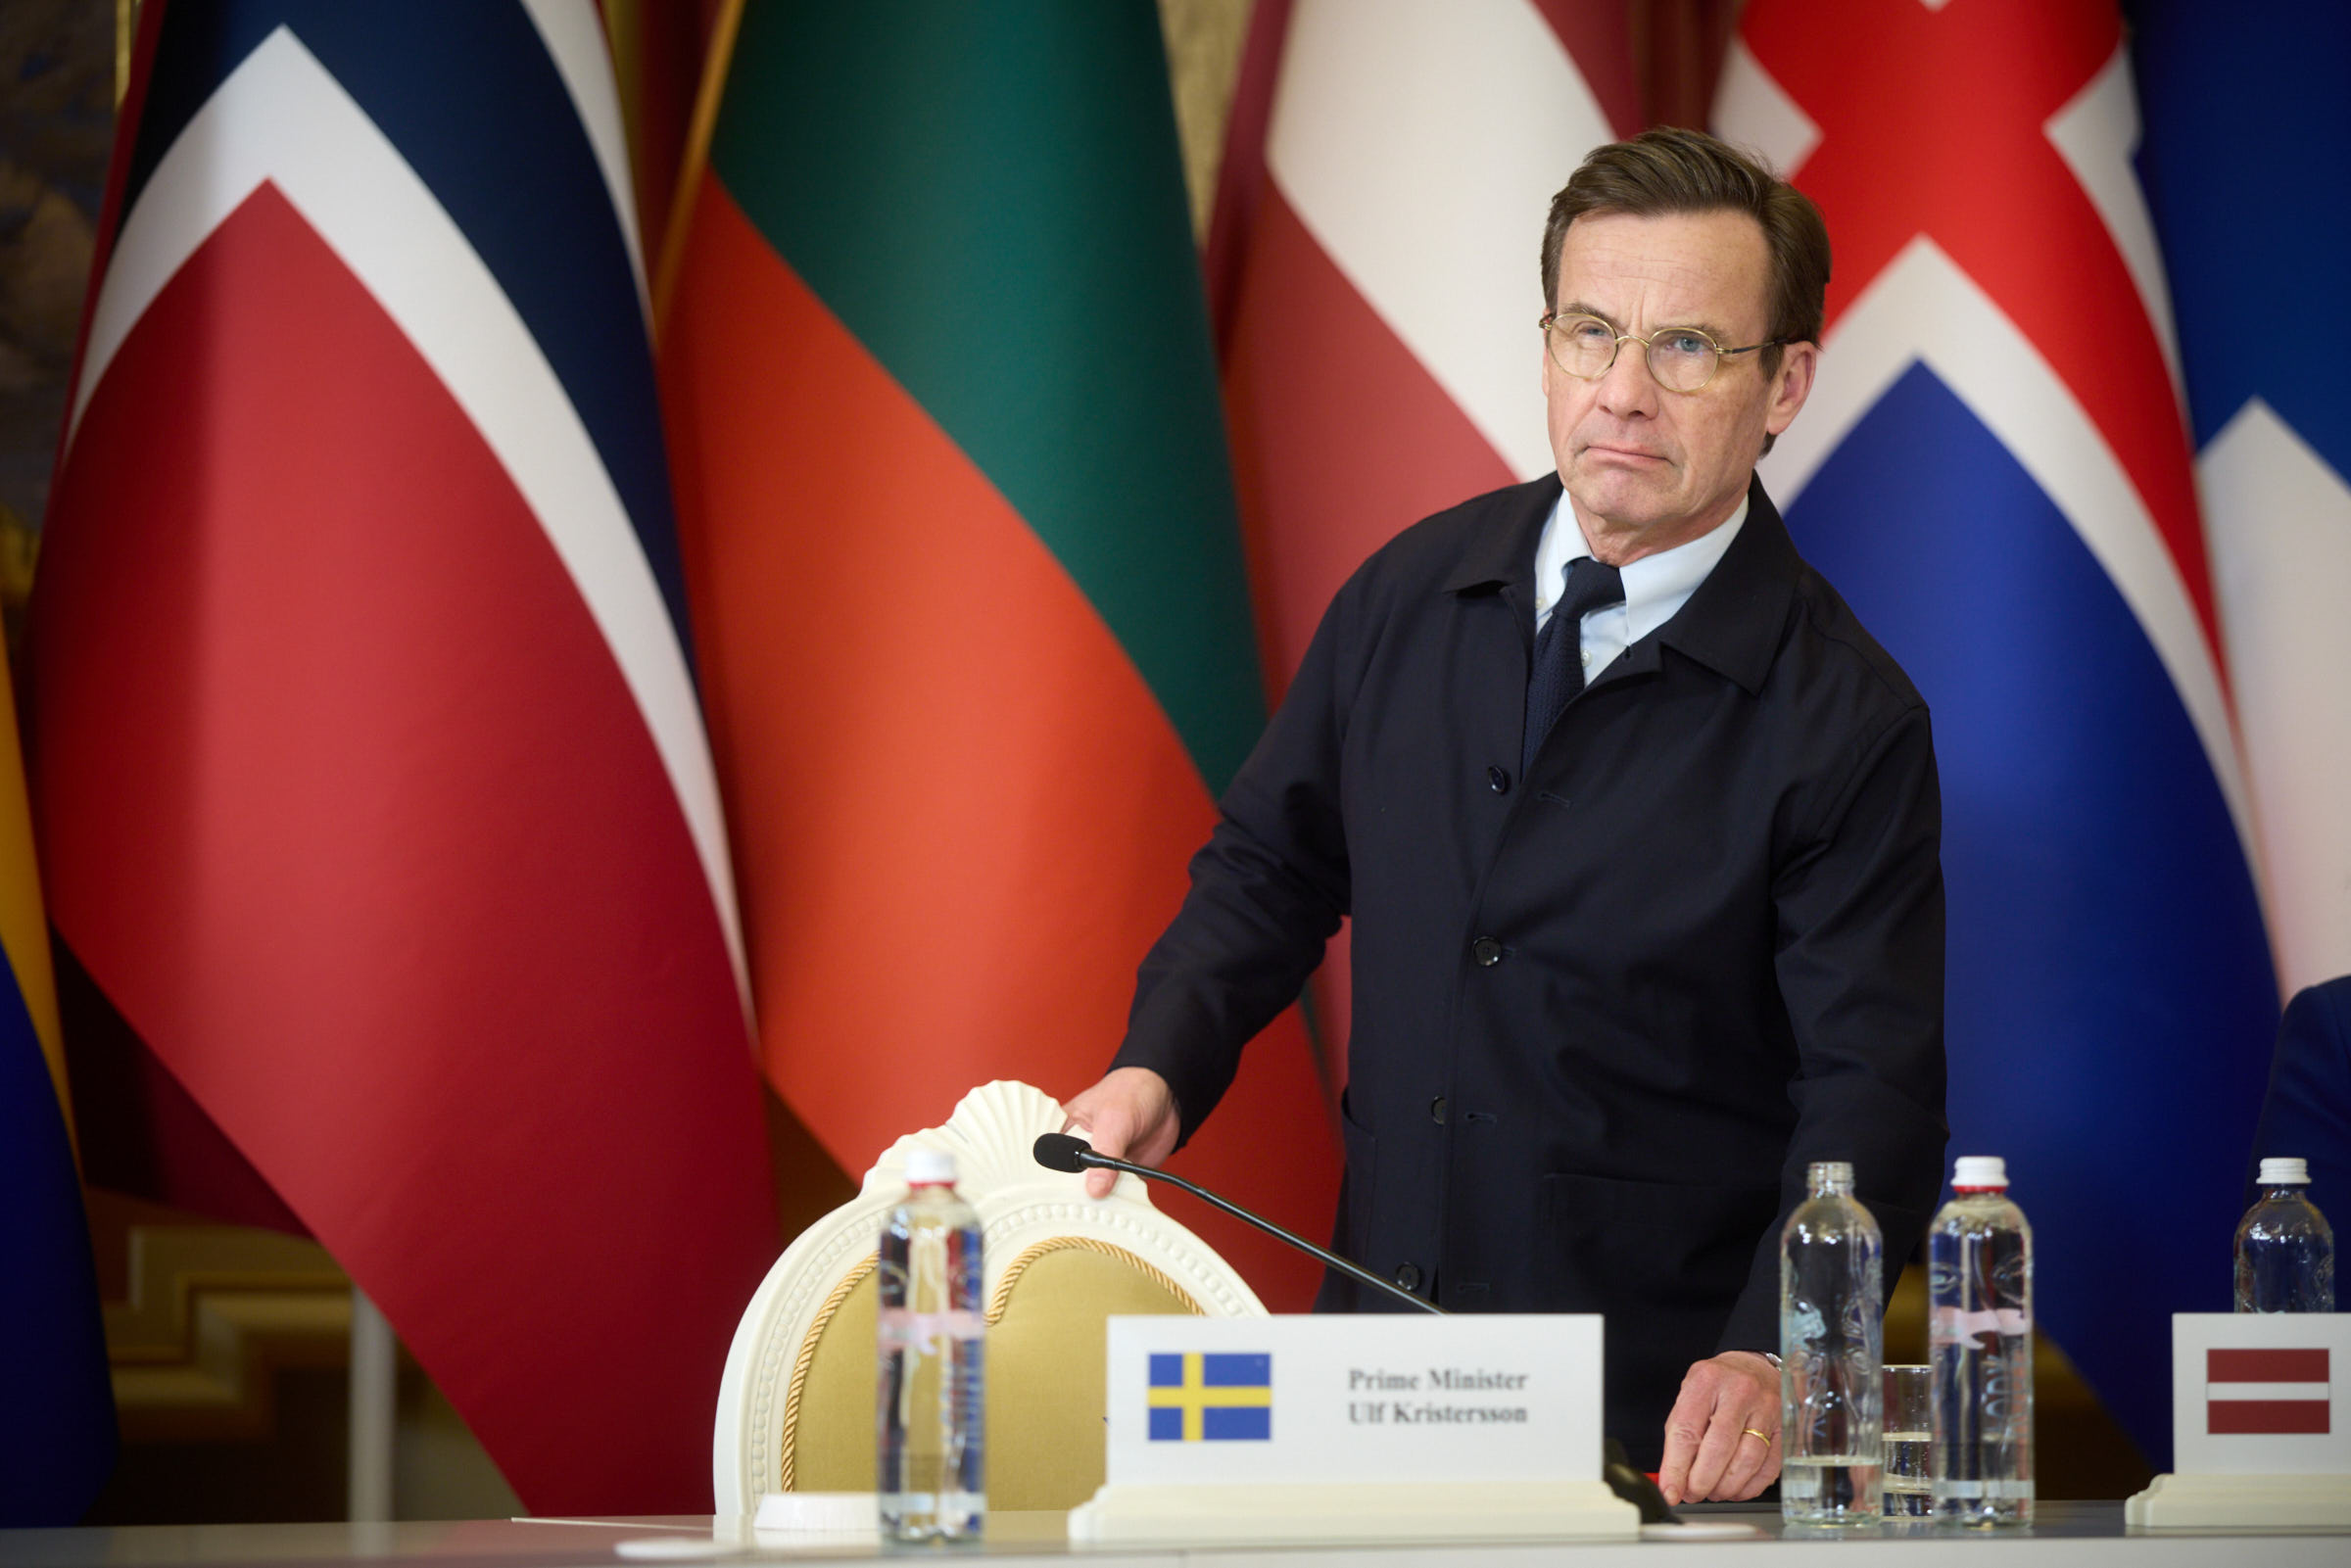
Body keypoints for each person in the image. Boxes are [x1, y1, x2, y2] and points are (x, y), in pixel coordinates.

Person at [1065, 127, 1946, 1503]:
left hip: (1655, 1436)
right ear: (1546, 348)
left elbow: (1870, 1093)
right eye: (1590, 332)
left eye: (1687, 347)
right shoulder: (1405, 596)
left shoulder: (1849, 716)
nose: (1623, 393)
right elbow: (1268, 869)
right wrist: (1159, 1064)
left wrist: (1782, 1346)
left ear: (1785, 384)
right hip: (1369, 1394)